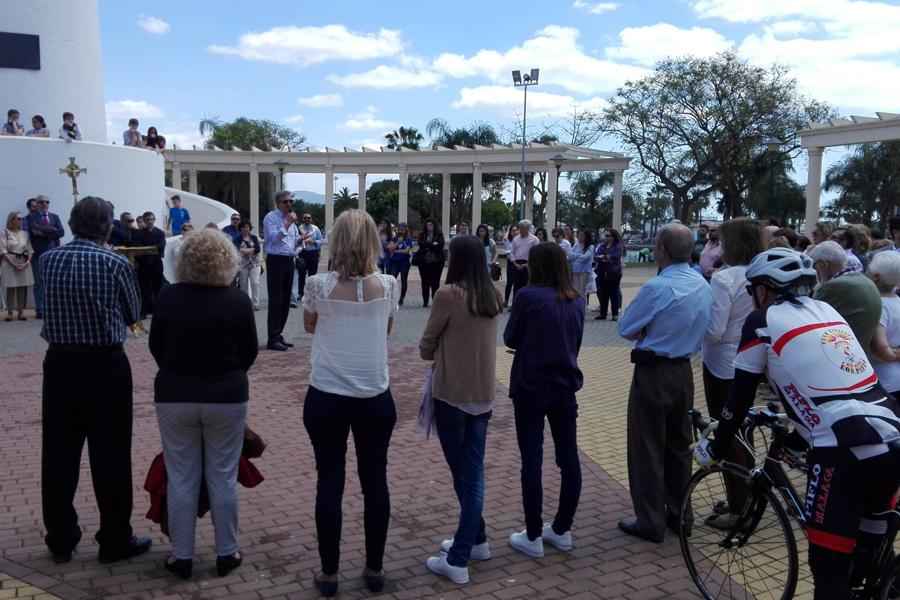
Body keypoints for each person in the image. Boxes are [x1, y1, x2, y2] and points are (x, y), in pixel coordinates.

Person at [693, 248, 900, 600]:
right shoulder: (829, 312)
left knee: (828, 571)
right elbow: (827, 386)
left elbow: (738, 400)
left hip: (844, 450)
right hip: (890, 433)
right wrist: (796, 434)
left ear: (762, 290)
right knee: (869, 556)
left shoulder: (761, 320)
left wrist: (713, 448)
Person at [40, 196, 151, 565]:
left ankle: (60, 537)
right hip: (105, 366)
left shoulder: (47, 259)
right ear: (108, 227)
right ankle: (115, 538)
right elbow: (134, 312)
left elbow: (43, 305)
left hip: (59, 363)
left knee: (58, 454)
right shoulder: (115, 262)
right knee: (112, 455)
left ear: (71, 222)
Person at [149, 229, 258, 580]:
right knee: (222, 476)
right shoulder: (238, 300)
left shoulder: (168, 297)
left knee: (181, 477)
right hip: (226, 395)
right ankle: (228, 552)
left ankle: (181, 556)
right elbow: (249, 353)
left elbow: (156, 348)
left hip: (175, 395)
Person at [301, 210, 399, 597]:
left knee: (330, 483)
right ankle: (374, 570)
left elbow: (310, 326)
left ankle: (329, 575)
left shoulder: (318, 285)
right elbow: (386, 330)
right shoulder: (388, 285)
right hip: (375, 395)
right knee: (375, 483)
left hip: (326, 394)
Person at [616, 223, 712, 543]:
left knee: (647, 447)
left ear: (661, 251)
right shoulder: (701, 283)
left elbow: (626, 327)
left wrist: (648, 331)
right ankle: (680, 514)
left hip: (654, 371)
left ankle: (651, 521)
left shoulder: (658, 287)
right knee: (678, 447)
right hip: (684, 371)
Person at [420, 235, 503, 584]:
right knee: (469, 473)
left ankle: (458, 558)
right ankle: (476, 539)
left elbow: (426, 345)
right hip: (483, 394)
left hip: (453, 393)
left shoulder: (448, 295)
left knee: (468, 477)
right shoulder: (492, 294)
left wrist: (437, 349)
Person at [504, 242, 585, 559]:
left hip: (531, 385)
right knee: (569, 460)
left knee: (532, 460)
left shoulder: (527, 296)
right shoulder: (577, 300)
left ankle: (534, 534)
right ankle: (562, 529)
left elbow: (510, 337)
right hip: (565, 385)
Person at [699, 217, 765, 528]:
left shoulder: (724, 279)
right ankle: (744, 497)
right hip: (751, 359)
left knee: (728, 434)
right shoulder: (759, 274)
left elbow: (714, 331)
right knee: (743, 431)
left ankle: (740, 508)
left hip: (722, 362)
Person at [811, 241, 882, 351]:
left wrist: (816, 289)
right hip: (859, 355)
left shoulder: (833, 287)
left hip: (840, 356)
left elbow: (810, 323)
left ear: (823, 264)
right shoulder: (866, 281)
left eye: (814, 266)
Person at [263, 190, 299, 351]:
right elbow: (272, 238)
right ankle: (272, 338)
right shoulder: (271, 218)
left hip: (288, 260)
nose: (289, 204)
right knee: (276, 299)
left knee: (286, 300)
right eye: (285, 202)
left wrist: (301, 240)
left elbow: (293, 240)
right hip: (276, 260)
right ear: (278, 203)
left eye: (291, 201)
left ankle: (279, 334)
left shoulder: (291, 222)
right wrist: (288, 224)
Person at [866, 252, 900, 397]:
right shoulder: (897, 301)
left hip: (884, 382)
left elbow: (881, 349)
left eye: (868, 271)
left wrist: (895, 355)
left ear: (876, 277)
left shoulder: (878, 305)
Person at [27, 195, 65, 318]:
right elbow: (34, 230)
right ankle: (40, 310)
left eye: (47, 202)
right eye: (41, 202)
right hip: (39, 254)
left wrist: (44, 232)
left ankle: (53, 309)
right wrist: (52, 230)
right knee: (39, 282)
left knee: (54, 282)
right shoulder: (30, 217)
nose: (44, 204)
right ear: (37, 204)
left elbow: (61, 232)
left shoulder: (55, 217)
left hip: (54, 254)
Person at [1, 211, 34, 320]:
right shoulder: (4, 232)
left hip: (23, 262)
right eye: (19, 219)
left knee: (21, 287)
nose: (21, 221)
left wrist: (28, 262)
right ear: (12, 220)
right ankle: (9, 312)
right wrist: (13, 264)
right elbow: (3, 251)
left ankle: (21, 312)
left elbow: (30, 249)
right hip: (9, 262)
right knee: (10, 288)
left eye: (22, 219)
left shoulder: (25, 234)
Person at [134, 212, 166, 318]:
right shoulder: (139, 233)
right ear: (144, 220)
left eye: (151, 219)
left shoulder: (160, 233)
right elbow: (138, 248)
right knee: (144, 288)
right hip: (144, 265)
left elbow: (160, 247)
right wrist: (151, 249)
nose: (149, 221)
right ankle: (144, 311)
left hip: (156, 264)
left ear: (155, 220)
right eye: (147, 219)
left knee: (158, 288)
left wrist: (149, 249)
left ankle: (158, 310)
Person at [594, 228, 625, 321]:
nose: (606, 237)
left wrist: (604, 257)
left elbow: (615, 256)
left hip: (614, 273)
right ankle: (603, 313)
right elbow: (596, 256)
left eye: (608, 235)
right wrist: (606, 258)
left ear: (613, 237)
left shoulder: (618, 246)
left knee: (614, 293)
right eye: (605, 235)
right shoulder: (602, 246)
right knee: (603, 293)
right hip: (602, 272)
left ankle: (614, 314)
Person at [508, 220, 540, 304]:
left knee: (526, 285)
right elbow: (512, 252)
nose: (520, 230)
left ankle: (525, 304)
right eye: (520, 227)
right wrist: (514, 263)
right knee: (516, 286)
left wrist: (526, 265)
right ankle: (515, 304)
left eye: (522, 228)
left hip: (528, 264)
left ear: (527, 229)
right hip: (516, 264)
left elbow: (537, 254)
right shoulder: (516, 239)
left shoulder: (534, 239)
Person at [417, 217, 446, 308]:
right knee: (425, 282)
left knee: (435, 283)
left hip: (437, 262)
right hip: (424, 262)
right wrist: (433, 245)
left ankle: (435, 301)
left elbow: (440, 246)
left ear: (434, 225)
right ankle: (425, 302)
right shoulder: (422, 235)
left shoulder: (439, 234)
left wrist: (429, 246)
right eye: (427, 225)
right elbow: (421, 245)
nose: (429, 226)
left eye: (431, 225)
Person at [297, 213, 325, 302]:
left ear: (311, 219)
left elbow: (321, 241)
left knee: (312, 275)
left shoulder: (315, 229)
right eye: (305, 218)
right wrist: (301, 240)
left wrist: (314, 241)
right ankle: (301, 293)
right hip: (302, 253)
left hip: (313, 253)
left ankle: (312, 294)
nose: (307, 219)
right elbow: (295, 240)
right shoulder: (299, 229)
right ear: (302, 219)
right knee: (301, 274)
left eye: (309, 218)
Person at [234, 220, 261, 311]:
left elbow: (257, 249)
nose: (245, 229)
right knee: (243, 284)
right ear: (240, 229)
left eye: (247, 227)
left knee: (254, 283)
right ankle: (245, 303)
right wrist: (251, 250)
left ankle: (255, 303)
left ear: (250, 228)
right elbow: (237, 249)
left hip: (255, 263)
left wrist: (245, 250)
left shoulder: (254, 237)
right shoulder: (237, 238)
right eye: (243, 227)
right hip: (242, 264)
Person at [388, 222, 414, 306]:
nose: (400, 231)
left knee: (403, 280)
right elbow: (390, 249)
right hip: (395, 262)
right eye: (399, 229)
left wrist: (395, 251)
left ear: (406, 229)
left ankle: (402, 298)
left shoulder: (408, 239)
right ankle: (390, 297)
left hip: (404, 262)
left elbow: (406, 251)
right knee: (391, 279)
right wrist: (398, 243)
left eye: (402, 229)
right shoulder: (395, 238)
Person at [569, 229, 594, 297]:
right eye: (579, 235)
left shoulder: (590, 247)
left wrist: (575, 257)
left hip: (584, 272)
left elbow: (585, 258)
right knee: (575, 291)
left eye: (582, 235)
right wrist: (578, 255)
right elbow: (570, 255)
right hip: (575, 271)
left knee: (582, 292)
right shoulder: (576, 245)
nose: (579, 236)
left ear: (586, 236)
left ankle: (583, 307)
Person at [503, 226, 517, 308]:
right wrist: (508, 230)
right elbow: (505, 237)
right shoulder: (508, 241)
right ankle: (506, 300)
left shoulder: (519, 240)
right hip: (510, 263)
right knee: (509, 282)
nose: (515, 232)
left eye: (516, 230)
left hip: (517, 262)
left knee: (516, 283)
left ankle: (514, 302)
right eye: (513, 231)